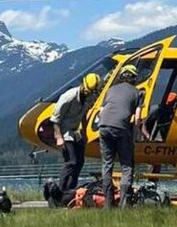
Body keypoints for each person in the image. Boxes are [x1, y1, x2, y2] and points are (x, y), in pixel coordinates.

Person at [51, 73, 101, 202]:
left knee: (80, 162)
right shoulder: (68, 97)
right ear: (83, 85)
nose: (88, 94)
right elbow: (55, 119)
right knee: (71, 162)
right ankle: (59, 194)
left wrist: (84, 134)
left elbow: (84, 116)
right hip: (64, 132)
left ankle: (70, 192)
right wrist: (59, 137)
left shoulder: (88, 97)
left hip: (75, 132)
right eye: (88, 91)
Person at [98, 63, 140, 209]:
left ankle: (108, 204)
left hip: (103, 127)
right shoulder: (137, 92)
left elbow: (101, 111)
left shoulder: (111, 89)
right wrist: (135, 135)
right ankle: (124, 204)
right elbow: (137, 117)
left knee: (107, 164)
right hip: (121, 128)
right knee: (127, 165)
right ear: (134, 78)